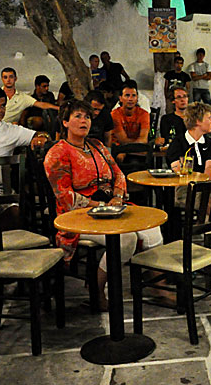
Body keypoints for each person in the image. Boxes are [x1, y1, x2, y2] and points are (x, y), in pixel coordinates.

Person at [44, 99, 163, 311]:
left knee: (152, 229)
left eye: (87, 117)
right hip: (79, 216)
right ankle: (97, 290)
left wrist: (117, 196)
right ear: (64, 122)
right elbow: (64, 196)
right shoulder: (58, 152)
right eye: (78, 116)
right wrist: (98, 204)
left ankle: (158, 287)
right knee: (126, 238)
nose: (84, 121)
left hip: (112, 207)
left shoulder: (97, 145)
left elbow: (118, 174)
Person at [166, 102, 211, 179]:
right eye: (209, 118)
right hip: (182, 186)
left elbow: (209, 168)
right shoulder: (177, 143)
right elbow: (178, 171)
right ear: (198, 121)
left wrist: (206, 187)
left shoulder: (210, 143)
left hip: (204, 187)